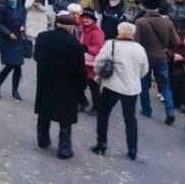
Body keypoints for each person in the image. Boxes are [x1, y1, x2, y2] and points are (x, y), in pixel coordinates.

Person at [91, 22, 149, 161]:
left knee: (103, 113)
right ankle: (132, 149)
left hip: (112, 85)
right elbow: (144, 69)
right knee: (130, 118)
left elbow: (99, 62)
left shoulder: (111, 44)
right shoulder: (139, 48)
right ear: (132, 33)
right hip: (132, 87)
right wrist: (135, 77)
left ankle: (101, 143)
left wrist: (99, 73)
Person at [34, 13, 87, 159]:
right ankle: (64, 150)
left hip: (45, 81)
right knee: (65, 118)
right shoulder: (75, 45)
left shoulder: (42, 36)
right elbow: (80, 69)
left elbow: (36, 56)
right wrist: (81, 88)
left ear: (57, 24)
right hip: (67, 85)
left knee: (44, 112)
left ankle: (43, 140)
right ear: (71, 27)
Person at [134, 0, 179, 124]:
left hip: (145, 57)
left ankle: (147, 110)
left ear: (146, 6)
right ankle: (170, 110)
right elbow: (176, 41)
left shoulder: (141, 22)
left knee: (144, 84)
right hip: (162, 57)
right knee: (165, 85)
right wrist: (168, 50)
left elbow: (136, 41)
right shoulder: (167, 22)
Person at [0, 0, 27, 101]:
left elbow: (23, 17)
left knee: (18, 66)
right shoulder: (2, 7)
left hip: (18, 38)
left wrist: (23, 25)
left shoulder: (19, 6)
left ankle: (15, 90)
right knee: (10, 64)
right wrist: (8, 33)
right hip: (7, 39)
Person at [80, 9, 105, 116]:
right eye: (84, 18)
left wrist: (86, 48)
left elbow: (98, 49)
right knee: (78, 85)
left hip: (93, 64)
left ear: (93, 20)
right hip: (83, 62)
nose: (85, 20)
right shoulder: (83, 29)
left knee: (94, 88)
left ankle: (97, 107)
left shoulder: (96, 32)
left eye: (88, 18)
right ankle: (82, 102)